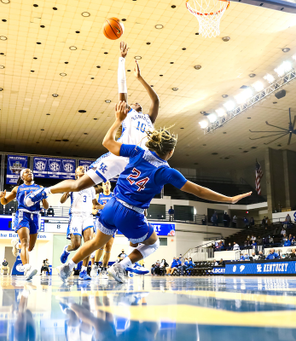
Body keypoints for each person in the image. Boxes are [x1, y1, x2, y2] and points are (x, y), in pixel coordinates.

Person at [57, 101, 251, 282]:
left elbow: (107, 142)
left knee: (96, 243)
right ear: (171, 152)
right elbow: (199, 191)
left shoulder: (136, 151)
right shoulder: (166, 171)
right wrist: (229, 199)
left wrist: (118, 121)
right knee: (153, 243)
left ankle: (67, 267)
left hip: (111, 205)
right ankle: (120, 267)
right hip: (131, 213)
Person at [26, 41, 160, 208]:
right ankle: (45, 192)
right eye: (132, 103)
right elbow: (122, 87)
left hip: (138, 161)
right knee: (79, 185)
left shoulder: (149, 119)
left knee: (139, 196)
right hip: (120, 156)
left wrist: (140, 78)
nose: (136, 102)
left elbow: (155, 99)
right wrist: (121, 60)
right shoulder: (128, 114)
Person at [0, 168, 49, 281]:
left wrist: (44, 197)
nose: (29, 173)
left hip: (36, 215)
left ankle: (17, 245)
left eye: (31, 172)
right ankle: (27, 268)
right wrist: (2, 197)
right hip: (23, 214)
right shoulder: (18, 188)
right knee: (25, 243)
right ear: (22, 177)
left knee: (30, 247)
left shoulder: (39, 188)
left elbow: (46, 207)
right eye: (26, 172)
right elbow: (5, 202)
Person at [58, 166, 99, 281]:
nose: (82, 170)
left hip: (88, 217)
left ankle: (84, 271)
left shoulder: (91, 187)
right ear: (76, 174)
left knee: (88, 244)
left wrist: (104, 208)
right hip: (75, 216)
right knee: (76, 245)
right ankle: (67, 249)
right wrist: (67, 190)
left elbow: (95, 204)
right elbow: (61, 201)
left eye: (84, 169)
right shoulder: (72, 185)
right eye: (80, 169)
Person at [92, 181, 116, 279]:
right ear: (102, 186)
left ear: (110, 186)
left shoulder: (114, 196)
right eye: (104, 183)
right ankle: (95, 265)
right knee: (100, 244)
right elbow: (92, 209)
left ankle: (104, 268)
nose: (106, 184)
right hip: (100, 221)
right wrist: (96, 211)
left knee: (109, 246)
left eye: (108, 183)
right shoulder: (98, 196)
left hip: (112, 221)